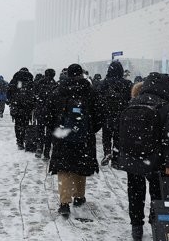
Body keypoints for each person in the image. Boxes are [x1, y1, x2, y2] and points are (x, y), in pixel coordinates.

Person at [115, 73, 169, 241]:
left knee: (135, 192)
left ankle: (136, 227)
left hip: (133, 157)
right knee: (158, 194)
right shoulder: (167, 107)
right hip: (155, 160)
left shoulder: (132, 103)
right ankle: (157, 226)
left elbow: (121, 132)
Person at [49, 63, 102, 216]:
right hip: (84, 138)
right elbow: (100, 114)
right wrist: (90, 130)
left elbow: (48, 113)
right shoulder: (90, 91)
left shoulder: (59, 91)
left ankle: (64, 202)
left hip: (63, 137)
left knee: (63, 168)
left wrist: (57, 130)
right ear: (82, 74)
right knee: (81, 165)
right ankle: (79, 196)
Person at [96, 60, 133, 166]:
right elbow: (130, 100)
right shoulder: (127, 83)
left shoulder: (104, 83)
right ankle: (116, 158)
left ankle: (107, 152)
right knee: (118, 137)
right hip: (121, 114)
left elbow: (98, 98)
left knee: (106, 135)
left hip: (106, 113)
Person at [33, 68, 59, 160]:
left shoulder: (39, 83)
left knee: (40, 130)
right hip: (50, 113)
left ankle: (39, 147)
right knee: (49, 132)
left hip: (40, 111)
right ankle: (46, 153)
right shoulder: (55, 84)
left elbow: (34, 96)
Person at [6, 68, 35, 149]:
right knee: (26, 123)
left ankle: (19, 141)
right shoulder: (30, 81)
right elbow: (34, 94)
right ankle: (26, 138)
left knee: (18, 123)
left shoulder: (14, 81)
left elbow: (8, 93)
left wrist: (10, 101)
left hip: (16, 107)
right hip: (27, 107)